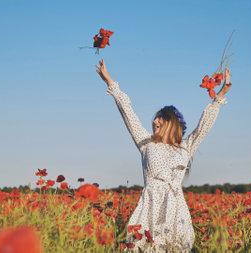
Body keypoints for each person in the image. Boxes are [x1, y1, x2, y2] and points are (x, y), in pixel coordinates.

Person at [96, 59, 232, 252]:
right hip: (149, 207)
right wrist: (111, 83)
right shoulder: (146, 143)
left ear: (172, 124)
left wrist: (220, 95)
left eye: (161, 118)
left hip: (176, 209)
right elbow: (128, 112)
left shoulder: (186, 147)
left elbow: (204, 126)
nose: (155, 121)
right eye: (155, 118)